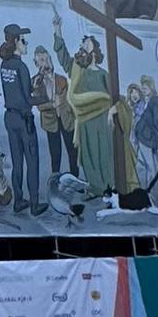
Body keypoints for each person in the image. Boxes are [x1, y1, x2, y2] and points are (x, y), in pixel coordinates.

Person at [53, 14, 136, 199]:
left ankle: (109, 188)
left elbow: (114, 98)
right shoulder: (77, 71)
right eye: (82, 45)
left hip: (102, 122)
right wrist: (58, 30)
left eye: (87, 45)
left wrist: (114, 109)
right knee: (88, 156)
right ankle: (95, 187)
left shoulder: (103, 75)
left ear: (94, 53)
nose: (82, 48)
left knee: (104, 155)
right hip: (84, 121)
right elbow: (64, 57)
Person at [0, 24, 42, 214]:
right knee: (32, 161)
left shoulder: (4, 64)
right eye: (23, 40)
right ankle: (34, 204)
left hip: (10, 117)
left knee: (17, 162)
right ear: (16, 41)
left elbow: (16, 90)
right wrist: (47, 97)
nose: (26, 43)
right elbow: (27, 99)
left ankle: (18, 200)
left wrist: (31, 84)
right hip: (25, 119)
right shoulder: (22, 66)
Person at [32, 44, 77, 178]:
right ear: (36, 64)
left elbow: (67, 99)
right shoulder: (35, 83)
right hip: (51, 123)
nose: (46, 63)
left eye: (47, 59)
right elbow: (39, 106)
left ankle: (75, 179)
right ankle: (55, 181)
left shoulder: (62, 80)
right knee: (55, 154)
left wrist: (61, 102)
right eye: (42, 60)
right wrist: (52, 104)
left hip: (67, 120)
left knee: (73, 152)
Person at [133, 74, 158, 188]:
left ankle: (157, 190)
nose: (143, 90)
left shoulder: (156, 100)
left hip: (151, 136)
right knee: (152, 166)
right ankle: (151, 192)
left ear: (151, 87)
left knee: (157, 166)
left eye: (145, 88)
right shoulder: (141, 102)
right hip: (144, 136)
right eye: (142, 88)